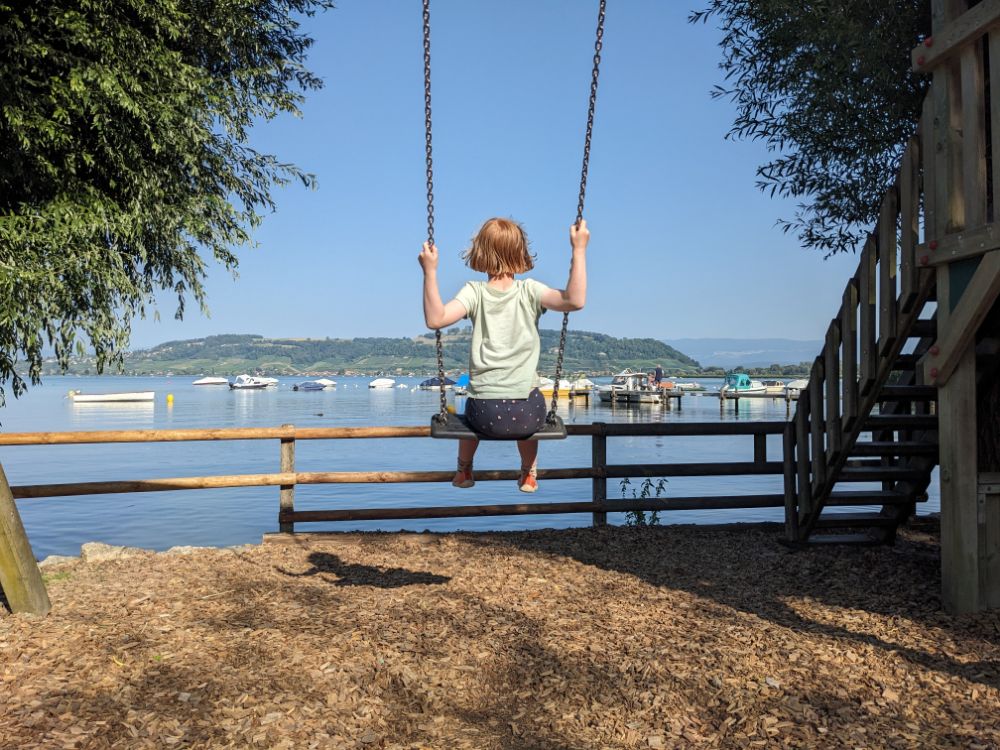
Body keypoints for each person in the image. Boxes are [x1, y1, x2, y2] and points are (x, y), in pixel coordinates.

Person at [419, 217, 589, 492]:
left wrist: (430, 271)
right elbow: (574, 300)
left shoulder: (474, 292)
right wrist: (578, 249)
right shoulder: (530, 290)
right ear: (521, 251)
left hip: (484, 415)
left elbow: (435, 319)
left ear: (479, 252)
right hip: (528, 415)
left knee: (467, 411)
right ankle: (529, 473)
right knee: (531, 396)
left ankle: (464, 470)